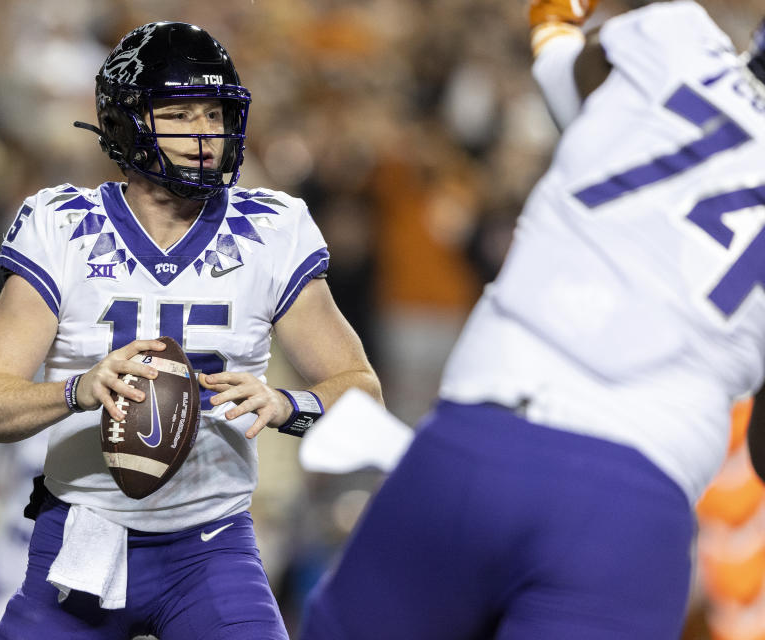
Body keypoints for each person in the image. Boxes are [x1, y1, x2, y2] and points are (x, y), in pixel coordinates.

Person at [301, 1, 765, 638]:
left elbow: (569, 77)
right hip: (636, 505)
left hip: (482, 440)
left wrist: (552, 20)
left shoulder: (674, 36)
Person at [0, 20, 382, 640]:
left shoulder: (271, 229)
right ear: (127, 121)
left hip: (210, 548)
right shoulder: (62, 226)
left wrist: (292, 404)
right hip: (81, 536)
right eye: (181, 114)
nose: (205, 135)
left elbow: (362, 390)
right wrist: (78, 390)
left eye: (214, 114)